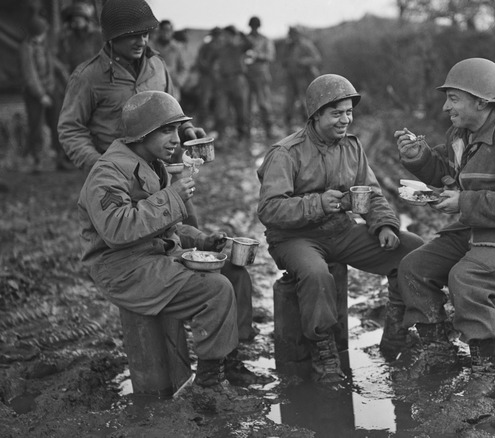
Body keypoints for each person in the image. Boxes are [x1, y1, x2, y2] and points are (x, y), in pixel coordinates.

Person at [77, 90, 264, 406]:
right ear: (141, 134)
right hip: (123, 268)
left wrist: (202, 240)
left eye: (176, 129)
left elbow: (164, 228)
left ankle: (229, 360)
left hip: (153, 256)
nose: (175, 139)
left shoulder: (152, 164)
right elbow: (118, 229)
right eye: (166, 130)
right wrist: (173, 197)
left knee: (233, 271)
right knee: (215, 289)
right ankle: (209, 383)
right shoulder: (108, 173)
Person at [392, 58, 495, 382]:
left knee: (465, 278)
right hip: (475, 227)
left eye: (453, 99)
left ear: (481, 101)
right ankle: (439, 351)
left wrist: (463, 202)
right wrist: (419, 158)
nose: (445, 107)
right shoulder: (462, 133)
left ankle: (488, 367)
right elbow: (448, 171)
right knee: (412, 268)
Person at [256, 74, 424, 383]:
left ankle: (397, 330)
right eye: (336, 113)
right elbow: (269, 209)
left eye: (348, 112)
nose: (345, 119)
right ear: (316, 115)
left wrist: (384, 224)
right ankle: (324, 352)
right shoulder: (285, 153)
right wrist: (317, 204)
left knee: (411, 251)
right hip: (294, 238)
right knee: (317, 274)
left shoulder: (352, 147)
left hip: (340, 230)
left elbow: (371, 191)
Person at [58, 0, 206, 172]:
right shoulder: (88, 77)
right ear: (112, 36)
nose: (142, 42)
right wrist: (97, 164)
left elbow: (172, 114)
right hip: (114, 177)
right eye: (133, 35)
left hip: (158, 171)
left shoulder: (158, 67)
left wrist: (187, 129)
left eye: (145, 34)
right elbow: (70, 129)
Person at [20, 15, 71, 171]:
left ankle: (60, 159)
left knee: (57, 123)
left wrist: (68, 77)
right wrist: (41, 95)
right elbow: (30, 75)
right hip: (35, 95)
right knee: (36, 126)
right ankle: (36, 161)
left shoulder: (45, 45)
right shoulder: (26, 48)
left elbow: (54, 64)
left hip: (51, 89)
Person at [214, 25, 252, 142]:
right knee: (221, 110)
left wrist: (242, 34)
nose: (225, 38)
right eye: (224, 35)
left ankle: (242, 135)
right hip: (224, 81)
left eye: (227, 35)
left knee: (241, 110)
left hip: (237, 79)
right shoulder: (221, 48)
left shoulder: (239, 47)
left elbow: (250, 45)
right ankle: (221, 136)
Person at [281, 27, 322, 133]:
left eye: (293, 34)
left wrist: (303, 61)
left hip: (303, 77)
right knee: (289, 102)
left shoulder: (306, 45)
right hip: (291, 78)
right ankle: (288, 125)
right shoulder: (288, 46)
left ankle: (310, 125)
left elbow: (316, 58)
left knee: (305, 101)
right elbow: (283, 61)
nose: (292, 37)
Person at [244, 16, 276, 139]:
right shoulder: (245, 40)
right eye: (252, 26)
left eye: (255, 26)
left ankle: (269, 128)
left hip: (261, 74)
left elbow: (270, 56)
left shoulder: (265, 40)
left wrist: (257, 55)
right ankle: (246, 131)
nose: (254, 28)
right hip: (247, 75)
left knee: (264, 103)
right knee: (246, 104)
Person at [57, 2, 103, 74]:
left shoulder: (97, 35)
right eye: (73, 19)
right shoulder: (67, 39)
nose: (76, 21)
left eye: (79, 18)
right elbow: (64, 62)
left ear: (85, 19)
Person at [192, 27, 222, 132]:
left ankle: (217, 126)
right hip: (207, 77)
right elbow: (200, 60)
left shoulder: (222, 47)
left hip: (218, 78)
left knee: (219, 102)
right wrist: (207, 68)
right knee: (204, 101)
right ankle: (202, 124)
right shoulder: (205, 47)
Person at [150, 20, 188, 101]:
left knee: (172, 110)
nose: (165, 33)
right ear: (159, 31)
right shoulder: (150, 46)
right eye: (163, 30)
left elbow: (184, 68)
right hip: (153, 85)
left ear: (172, 32)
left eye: (168, 30)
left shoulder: (177, 48)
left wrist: (179, 80)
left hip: (172, 86)